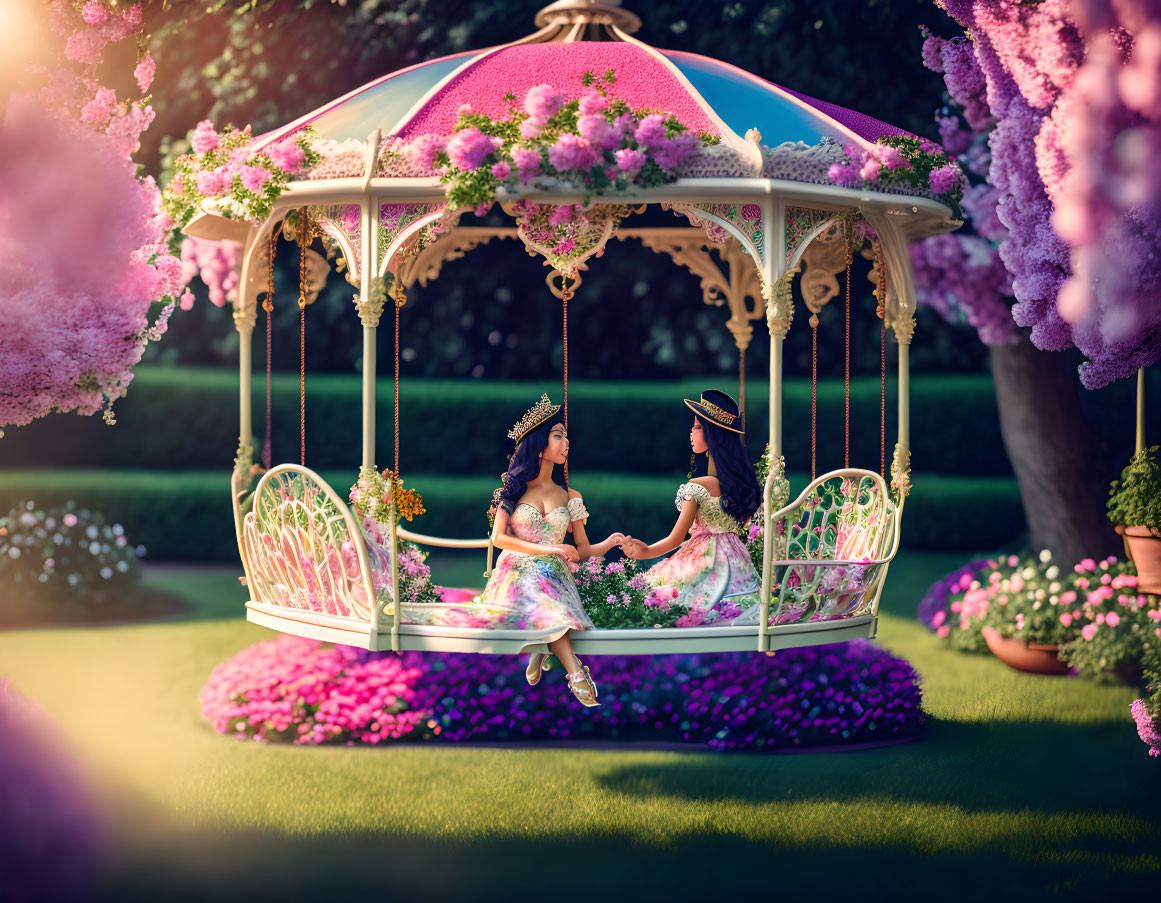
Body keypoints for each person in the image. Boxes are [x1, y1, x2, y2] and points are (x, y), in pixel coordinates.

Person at [620, 390, 762, 625]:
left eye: (696, 427)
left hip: (705, 560)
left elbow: (675, 539)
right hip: (737, 564)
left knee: (660, 598)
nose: (691, 433)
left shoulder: (697, 487)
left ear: (711, 434)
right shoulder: (737, 487)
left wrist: (645, 551)